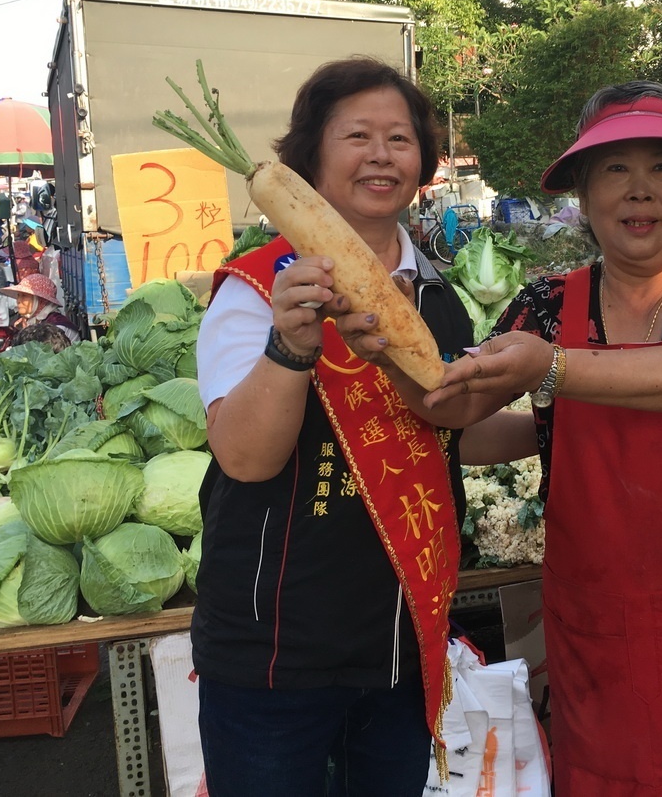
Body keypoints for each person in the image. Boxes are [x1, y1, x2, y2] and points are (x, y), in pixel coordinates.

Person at [391, 82, 662, 794]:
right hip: (594, 623)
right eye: (615, 170)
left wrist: (550, 368)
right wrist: (394, 357)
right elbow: (456, 410)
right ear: (583, 199)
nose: (639, 191)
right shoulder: (546, 303)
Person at [193, 57, 477, 797]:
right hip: (275, 652)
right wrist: (290, 344)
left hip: (399, 641)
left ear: (423, 164)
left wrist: (563, 419)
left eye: (400, 138)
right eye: (357, 135)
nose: (382, 154)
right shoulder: (260, 288)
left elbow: (456, 434)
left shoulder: (438, 293)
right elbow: (246, 459)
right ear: (311, 156)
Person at [0, 273, 80, 344]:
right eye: (18, 296)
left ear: (40, 301)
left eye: (24, 296)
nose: (18, 301)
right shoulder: (33, 321)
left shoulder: (56, 326)